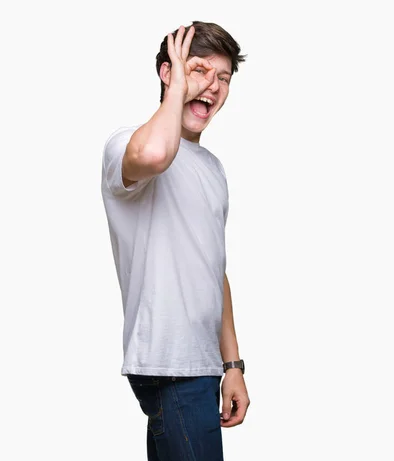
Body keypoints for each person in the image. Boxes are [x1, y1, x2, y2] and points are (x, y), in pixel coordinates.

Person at [100, 21, 249, 461]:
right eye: (200, 70)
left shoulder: (214, 169)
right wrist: (178, 89)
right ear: (168, 73)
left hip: (201, 367)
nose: (213, 86)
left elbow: (213, 271)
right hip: (170, 365)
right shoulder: (126, 143)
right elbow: (153, 156)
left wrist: (233, 365)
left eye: (223, 78)